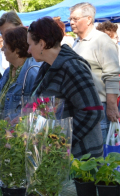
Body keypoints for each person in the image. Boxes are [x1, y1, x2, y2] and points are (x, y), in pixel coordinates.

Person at [27, 17, 104, 158]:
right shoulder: (47, 66)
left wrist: (61, 140)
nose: (28, 50)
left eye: (30, 44)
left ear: (42, 44)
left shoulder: (72, 67)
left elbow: (93, 112)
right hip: (59, 155)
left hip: (80, 158)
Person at [70, 2, 120, 143]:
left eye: (75, 19)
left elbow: (111, 76)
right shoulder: (77, 43)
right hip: (82, 107)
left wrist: (111, 107)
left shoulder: (102, 41)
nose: (71, 22)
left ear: (89, 19)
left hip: (100, 107)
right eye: (70, 19)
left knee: (100, 155)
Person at [0, 27, 41, 114]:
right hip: (3, 126)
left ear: (16, 50)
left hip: (18, 127)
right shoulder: (8, 71)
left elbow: (34, 109)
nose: (2, 49)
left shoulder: (32, 72)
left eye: (5, 47)